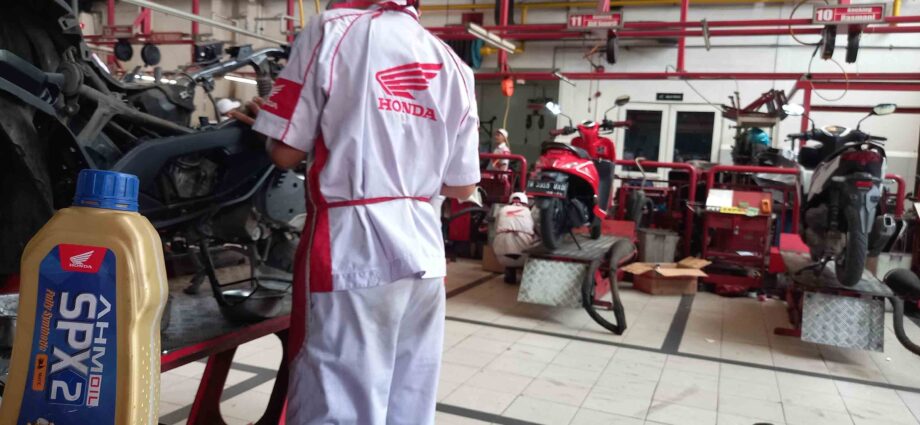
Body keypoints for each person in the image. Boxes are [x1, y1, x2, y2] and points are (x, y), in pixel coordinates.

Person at [236, 1, 480, 423]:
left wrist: (268, 126)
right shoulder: (454, 65)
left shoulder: (332, 29)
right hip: (424, 253)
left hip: (351, 249)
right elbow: (462, 186)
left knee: (337, 402)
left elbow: (285, 153)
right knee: (407, 403)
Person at [492, 192, 536, 283]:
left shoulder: (502, 210)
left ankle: (510, 275)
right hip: (525, 252)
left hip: (501, 252)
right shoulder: (529, 212)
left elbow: (495, 227)